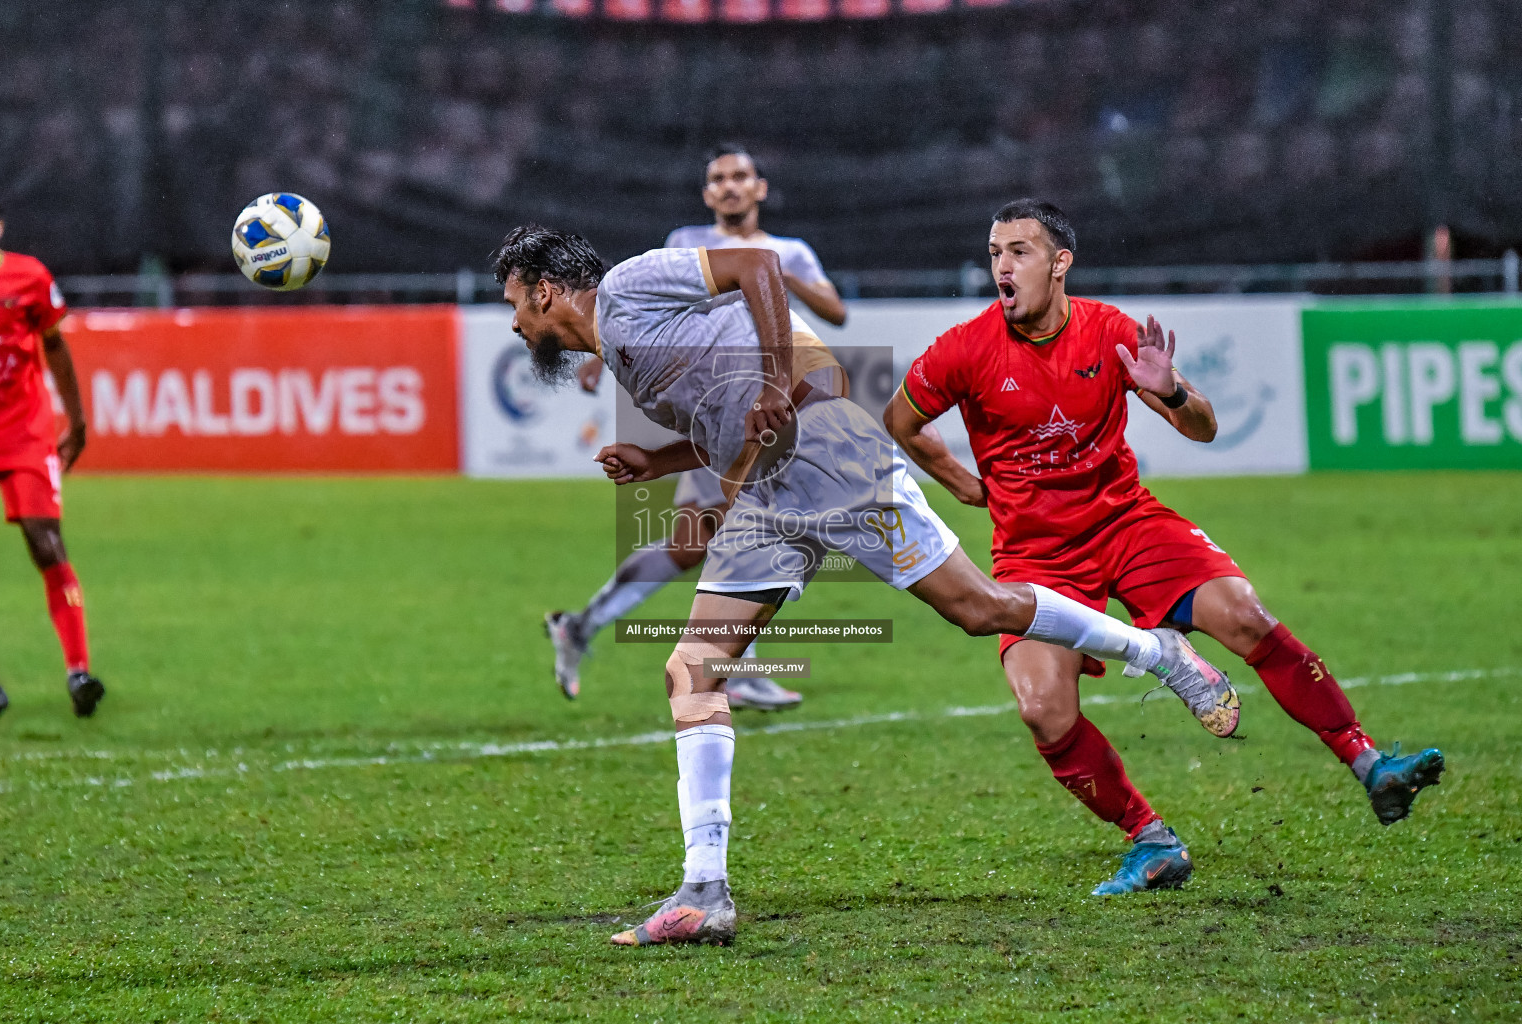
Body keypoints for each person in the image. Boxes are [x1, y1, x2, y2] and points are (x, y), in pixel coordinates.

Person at [495, 224, 1236, 945]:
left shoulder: (628, 285)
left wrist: (779, 378)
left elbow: (754, 264)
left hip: (826, 448)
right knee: (692, 668)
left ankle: (1156, 653)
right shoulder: (622, 353)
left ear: (546, 290)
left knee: (977, 607)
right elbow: (730, 423)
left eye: (513, 305)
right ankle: (704, 893)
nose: (515, 324)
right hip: (769, 492)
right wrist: (656, 463)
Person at [885, 199, 1444, 895]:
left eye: (1020, 252)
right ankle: (1151, 841)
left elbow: (1204, 429)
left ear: (1060, 264)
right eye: (995, 251)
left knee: (1245, 616)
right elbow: (901, 421)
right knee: (1041, 708)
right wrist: (964, 485)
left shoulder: (1108, 332)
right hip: (1035, 557)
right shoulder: (965, 349)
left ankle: (1370, 765)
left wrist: (1172, 390)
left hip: (1126, 525)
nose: (1002, 265)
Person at [546, 145, 849, 712]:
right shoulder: (684, 242)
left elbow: (835, 311)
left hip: (769, 406)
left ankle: (585, 626)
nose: (730, 187)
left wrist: (775, 272)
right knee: (736, 532)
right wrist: (594, 357)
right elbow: (639, 316)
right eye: (718, 180)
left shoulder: (788, 251)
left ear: (760, 188)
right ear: (708, 194)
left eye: (740, 177)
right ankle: (736, 666)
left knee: (701, 542)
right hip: (722, 409)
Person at [0, 186, 104, 718]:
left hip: (24, 431)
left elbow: (55, 346)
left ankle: (79, 671)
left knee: (45, 541)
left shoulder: (28, 278)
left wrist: (75, 421)